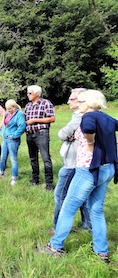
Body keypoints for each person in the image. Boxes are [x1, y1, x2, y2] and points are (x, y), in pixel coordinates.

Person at [39, 90, 118, 263]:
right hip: (106, 169)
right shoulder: (106, 117)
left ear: (89, 104)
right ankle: (101, 253)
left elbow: (88, 128)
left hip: (88, 170)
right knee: (96, 211)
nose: (78, 104)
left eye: (81, 101)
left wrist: (90, 143)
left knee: (68, 208)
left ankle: (55, 247)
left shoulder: (88, 117)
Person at [51, 88, 91, 235]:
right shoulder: (87, 115)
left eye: (72, 99)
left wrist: (67, 134)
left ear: (82, 101)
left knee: (60, 194)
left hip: (72, 162)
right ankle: (87, 226)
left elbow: (62, 133)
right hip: (78, 162)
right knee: (83, 196)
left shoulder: (80, 116)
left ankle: (58, 228)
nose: (68, 101)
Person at [24, 85, 55, 191]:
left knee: (46, 158)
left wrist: (35, 120)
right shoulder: (28, 105)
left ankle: (49, 183)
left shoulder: (46, 103)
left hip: (41, 133)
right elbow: (25, 118)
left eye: (30, 93)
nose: (28, 95)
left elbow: (52, 118)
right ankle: (35, 179)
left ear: (37, 93)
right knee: (33, 158)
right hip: (30, 134)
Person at [0, 100, 26, 185]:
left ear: (14, 107)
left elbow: (22, 126)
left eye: (10, 109)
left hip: (13, 140)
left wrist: (14, 135)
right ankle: (1, 173)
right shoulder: (7, 113)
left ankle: (14, 178)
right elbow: (4, 124)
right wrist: (2, 133)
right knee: (3, 157)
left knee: (13, 159)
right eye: (7, 109)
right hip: (5, 139)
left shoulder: (19, 115)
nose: (8, 110)